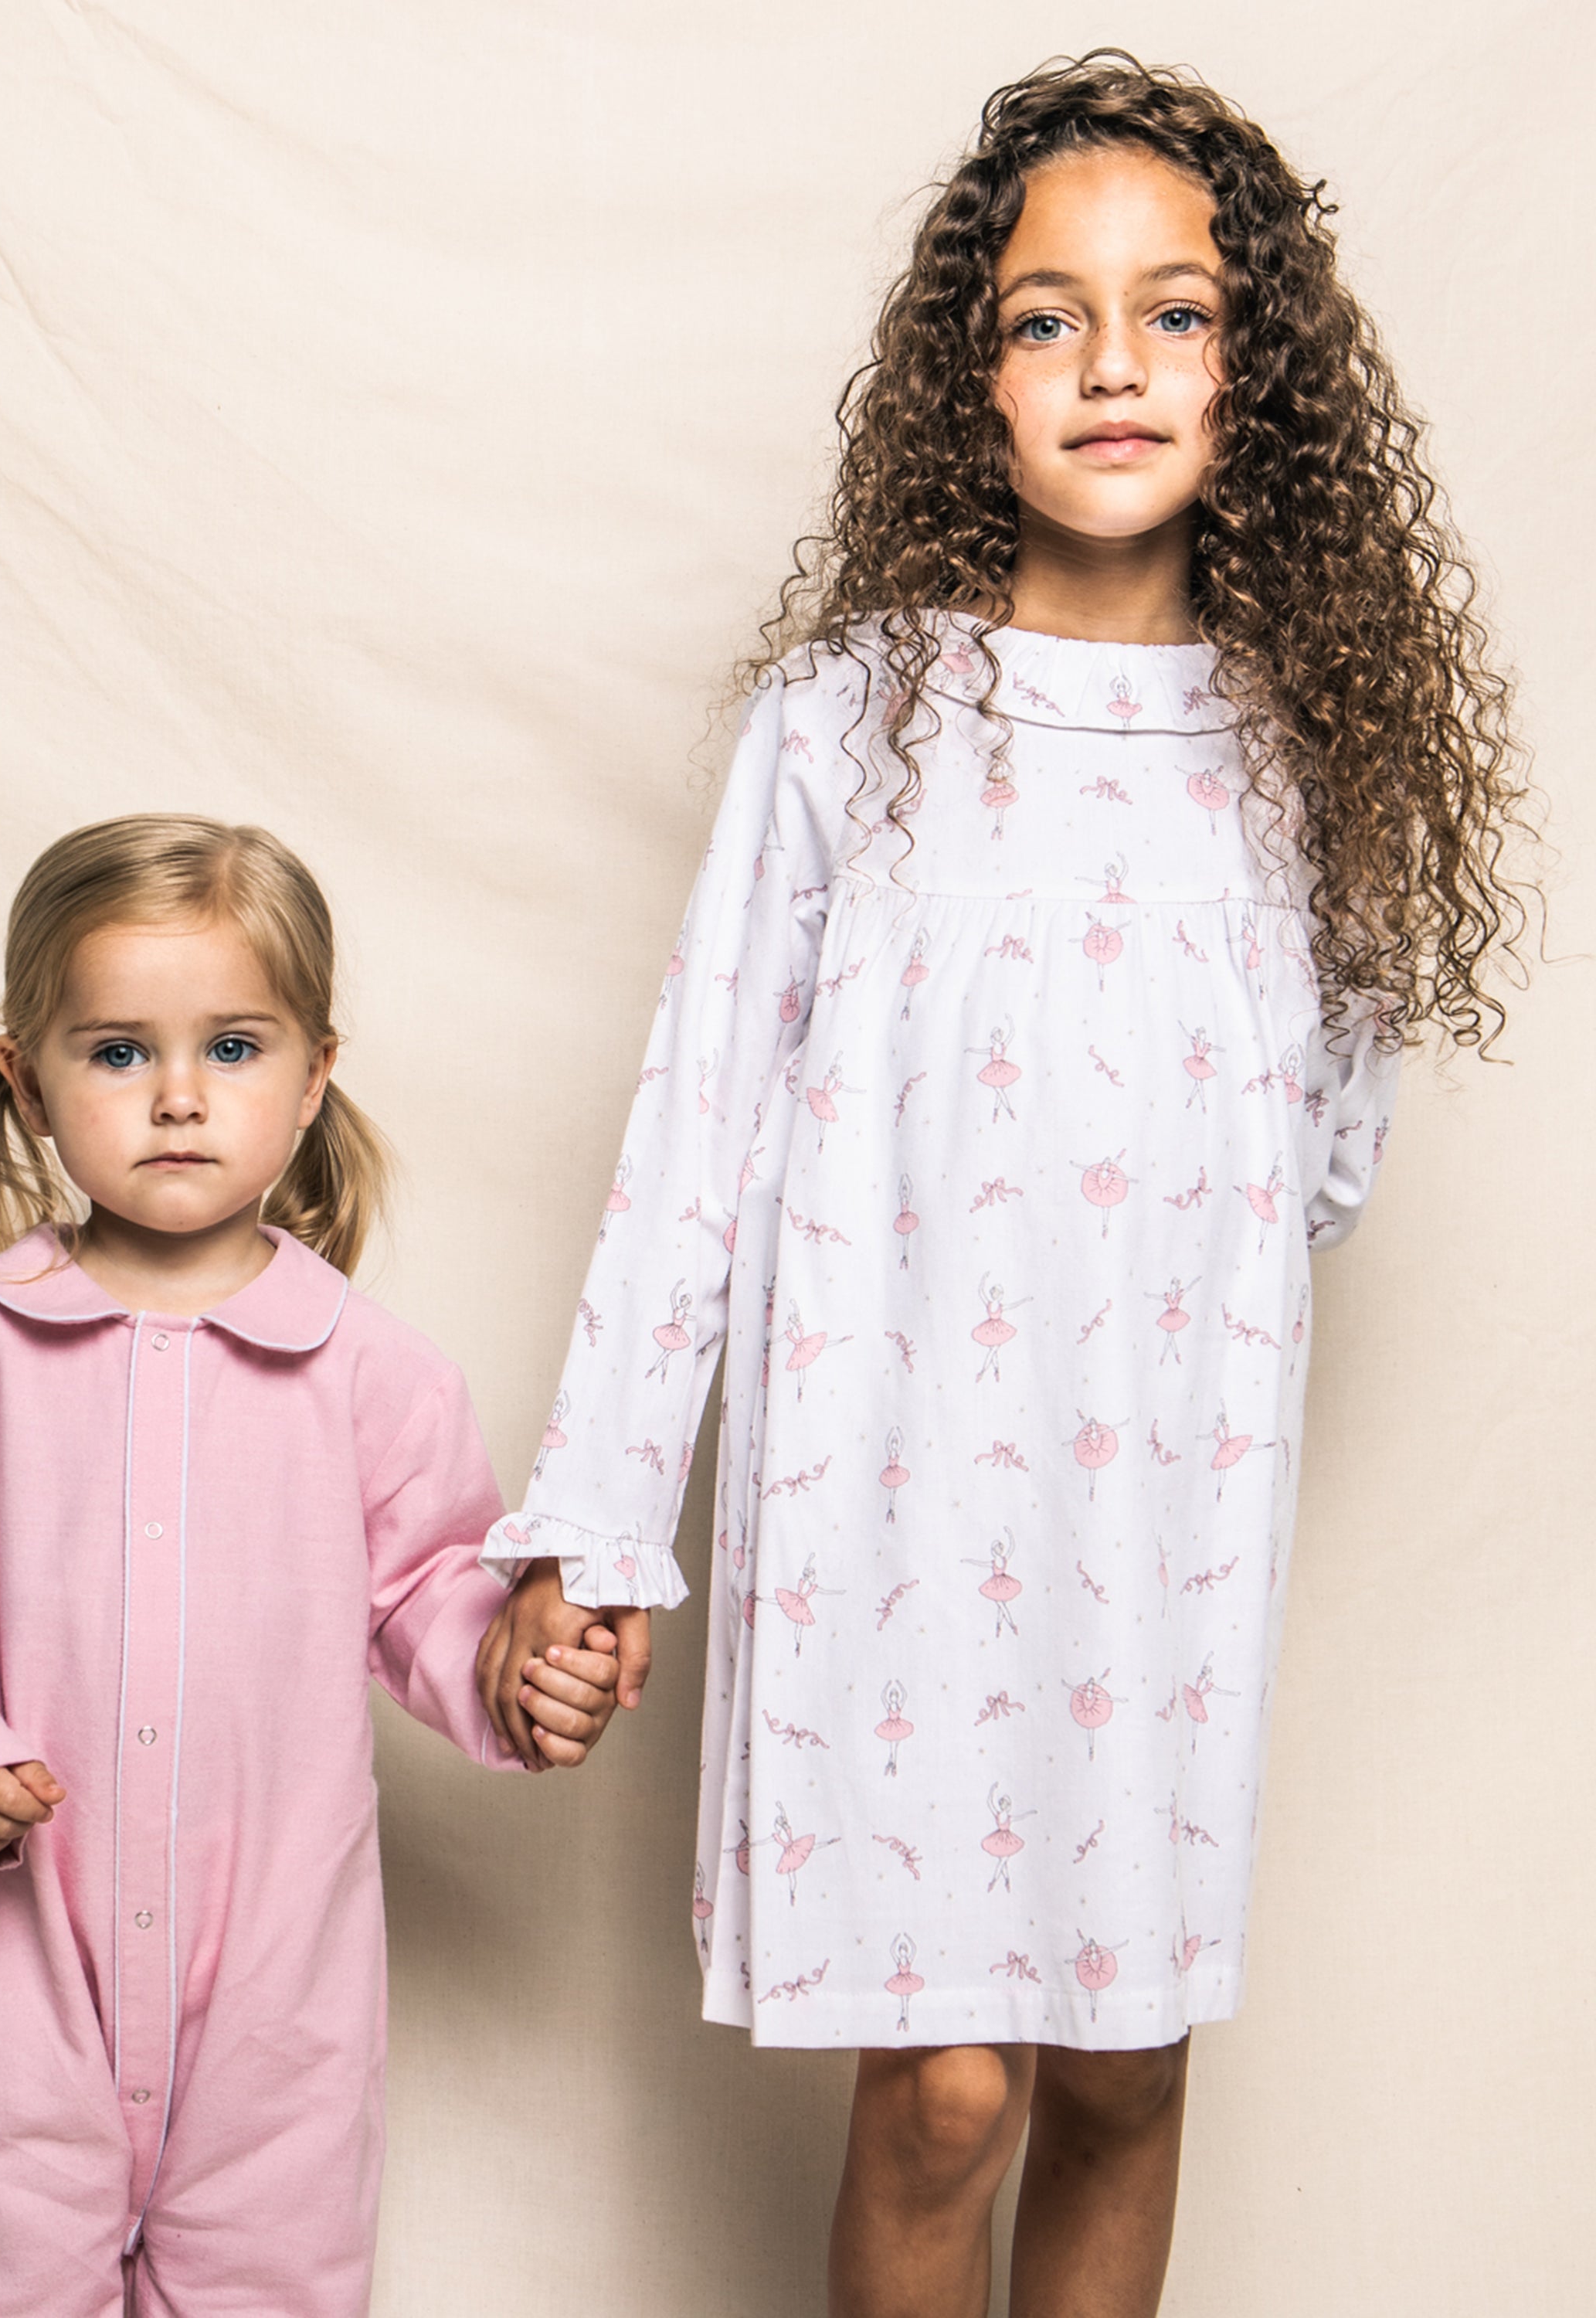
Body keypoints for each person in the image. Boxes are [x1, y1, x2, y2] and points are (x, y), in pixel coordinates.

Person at [474, 51, 1527, 2318]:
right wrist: (601, 1519)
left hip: (1164, 1499)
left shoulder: (1302, 758)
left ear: (1267, 374)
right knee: (948, 2088)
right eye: (1050, 316)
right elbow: (698, 1137)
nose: (1115, 361)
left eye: (1177, 312)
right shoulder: (855, 723)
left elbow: (1322, 1150)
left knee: (1127, 2063)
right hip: (890, 1491)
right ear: (977, 383)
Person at [0, 814, 619, 2318]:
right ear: (27, 1080)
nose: (178, 1098)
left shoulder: (376, 1375)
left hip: (280, 1998)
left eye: (233, 1048)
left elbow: (433, 1591)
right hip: (19, 1980)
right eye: (118, 1052)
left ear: (315, 1075)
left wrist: (517, 1674)